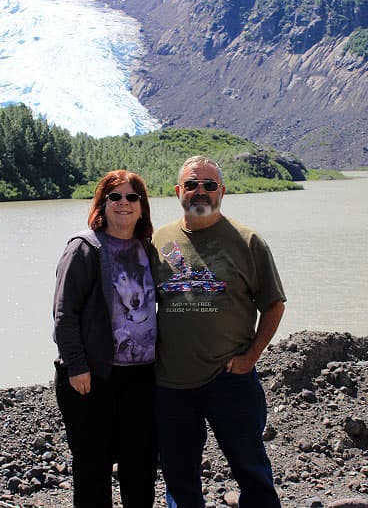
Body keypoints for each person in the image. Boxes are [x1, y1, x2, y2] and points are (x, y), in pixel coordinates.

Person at [151, 156, 286, 508]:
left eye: (209, 185)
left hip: (230, 381)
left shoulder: (247, 240)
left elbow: (273, 305)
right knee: (179, 478)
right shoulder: (160, 240)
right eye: (192, 185)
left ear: (222, 191)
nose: (201, 192)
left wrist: (250, 357)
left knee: (252, 471)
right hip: (171, 384)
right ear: (178, 191)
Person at [52, 170, 159, 507]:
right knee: (92, 468)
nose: (123, 204)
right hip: (95, 376)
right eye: (115, 197)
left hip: (142, 378)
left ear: (142, 207)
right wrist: (76, 365)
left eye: (132, 197)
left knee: (140, 466)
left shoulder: (147, 249)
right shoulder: (84, 248)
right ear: (102, 204)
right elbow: (64, 313)